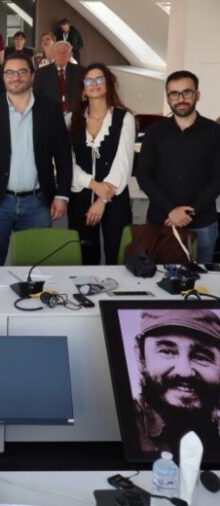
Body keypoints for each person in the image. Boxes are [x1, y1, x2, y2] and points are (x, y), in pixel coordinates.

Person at [0, 53, 72, 266]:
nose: (16, 77)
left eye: (22, 72)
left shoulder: (49, 108)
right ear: (3, 77)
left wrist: (62, 194)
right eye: (10, 73)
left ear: (32, 75)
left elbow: (63, 155)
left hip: (38, 203)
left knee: (36, 268)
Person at [137, 70, 220, 263]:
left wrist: (191, 211)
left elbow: (218, 180)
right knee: (159, 281)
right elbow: (144, 176)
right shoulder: (154, 132)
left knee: (202, 284)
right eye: (174, 94)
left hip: (203, 223)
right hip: (162, 221)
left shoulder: (215, 132)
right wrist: (171, 210)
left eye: (187, 92)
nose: (180, 99)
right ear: (168, 98)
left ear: (197, 95)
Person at [66, 64, 134, 265]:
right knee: (84, 257)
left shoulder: (124, 118)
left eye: (99, 79)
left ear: (108, 84)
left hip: (115, 199)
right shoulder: (71, 119)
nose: (94, 84)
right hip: (81, 197)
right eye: (89, 80)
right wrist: (93, 184)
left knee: (117, 256)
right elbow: (66, 162)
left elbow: (123, 164)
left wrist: (101, 200)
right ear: (83, 88)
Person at [132, 309, 220, 452]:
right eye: (167, 352)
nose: (184, 372)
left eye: (201, 357)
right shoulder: (124, 425)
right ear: (141, 359)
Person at [33, 41, 81, 114]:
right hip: (50, 114)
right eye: (58, 52)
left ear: (70, 55)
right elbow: (36, 96)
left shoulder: (80, 71)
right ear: (53, 54)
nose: (61, 55)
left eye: (65, 52)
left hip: (74, 114)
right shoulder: (41, 73)